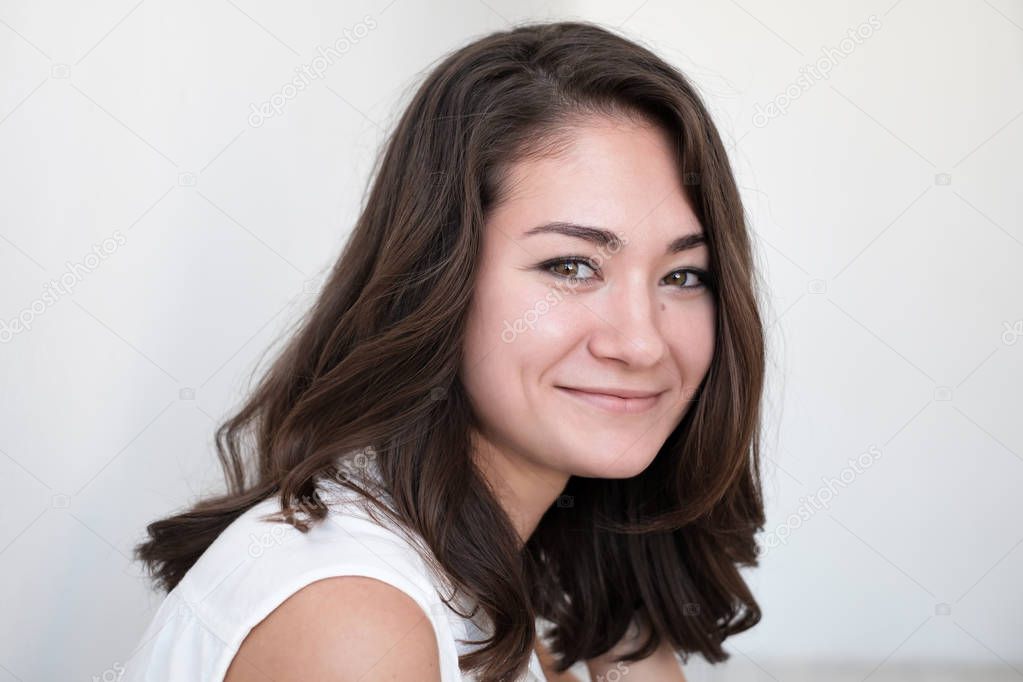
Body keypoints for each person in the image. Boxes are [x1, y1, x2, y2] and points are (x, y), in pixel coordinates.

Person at [123, 19, 767, 682]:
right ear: (437, 279)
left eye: (683, 276)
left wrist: (622, 599)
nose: (640, 342)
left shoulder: (521, 572)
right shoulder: (355, 619)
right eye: (570, 266)